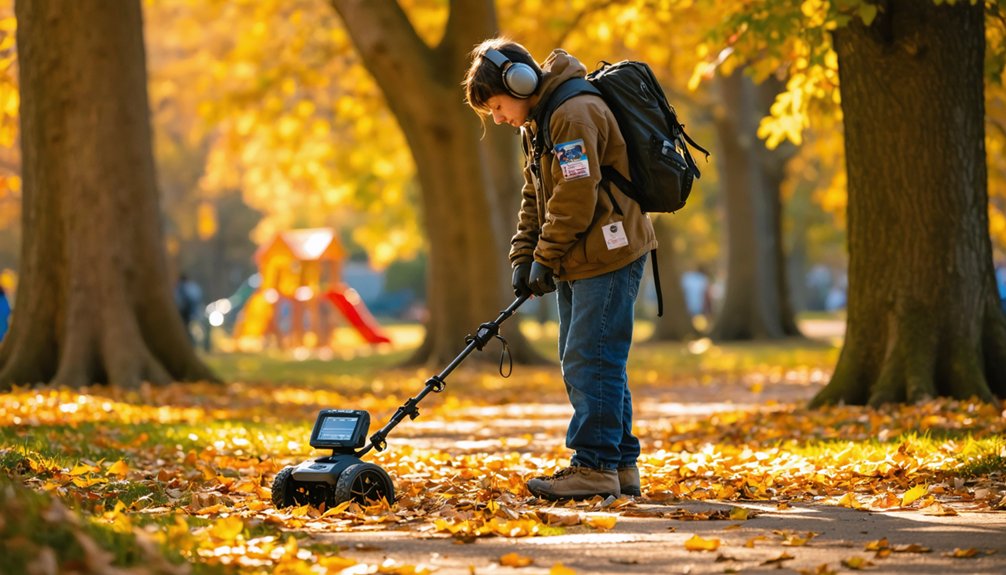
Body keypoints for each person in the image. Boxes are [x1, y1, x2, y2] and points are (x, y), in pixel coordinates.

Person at [463, 38, 657, 499]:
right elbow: (536, 195)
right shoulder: (540, 121)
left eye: (496, 105)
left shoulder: (573, 114)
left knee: (591, 358)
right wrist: (523, 255)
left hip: (608, 254)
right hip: (579, 255)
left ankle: (594, 465)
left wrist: (544, 257)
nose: (498, 117)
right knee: (590, 358)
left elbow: (575, 196)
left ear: (521, 82)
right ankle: (620, 465)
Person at [174, 274, 203, 345]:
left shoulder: (179, 288)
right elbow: (197, 298)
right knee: (191, 328)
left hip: (184, 312)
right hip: (190, 312)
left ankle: (191, 343)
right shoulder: (192, 287)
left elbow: (177, 300)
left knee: (187, 328)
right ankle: (193, 343)